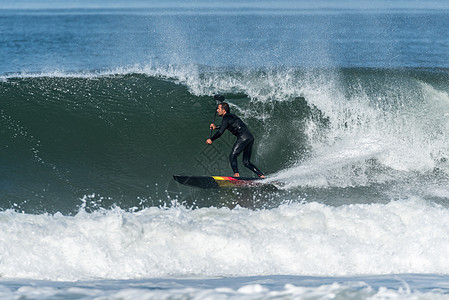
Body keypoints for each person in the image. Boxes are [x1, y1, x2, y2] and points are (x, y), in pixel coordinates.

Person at [206, 102, 265, 178]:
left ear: (224, 110)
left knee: (232, 156)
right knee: (246, 162)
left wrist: (211, 139)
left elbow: (220, 132)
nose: (217, 110)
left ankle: (236, 174)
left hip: (243, 137)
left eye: (218, 108)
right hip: (250, 137)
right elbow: (225, 126)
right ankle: (261, 175)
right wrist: (216, 127)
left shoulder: (226, 117)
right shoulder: (231, 117)